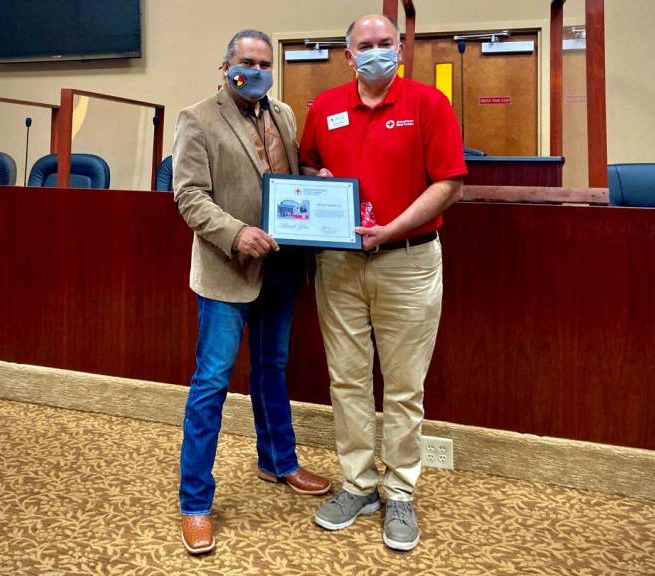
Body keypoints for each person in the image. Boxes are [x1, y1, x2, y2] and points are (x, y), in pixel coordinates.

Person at [299, 14, 467, 551]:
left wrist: (392, 228)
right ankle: (358, 484)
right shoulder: (324, 108)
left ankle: (398, 492)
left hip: (408, 260)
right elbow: (306, 168)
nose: (376, 52)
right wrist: (315, 183)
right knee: (346, 380)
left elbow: (450, 184)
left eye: (385, 44)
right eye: (364, 46)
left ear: (400, 49)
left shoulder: (428, 104)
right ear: (348, 57)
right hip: (340, 264)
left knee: (403, 385)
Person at [173, 29, 331, 556]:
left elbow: (287, 179)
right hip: (227, 270)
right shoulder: (197, 118)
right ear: (226, 66)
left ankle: (278, 461)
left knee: (271, 369)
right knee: (212, 382)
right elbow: (189, 196)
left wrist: (319, 178)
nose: (256, 69)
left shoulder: (283, 114)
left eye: (264, 62)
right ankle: (195, 502)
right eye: (247, 61)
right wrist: (236, 234)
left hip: (281, 268)